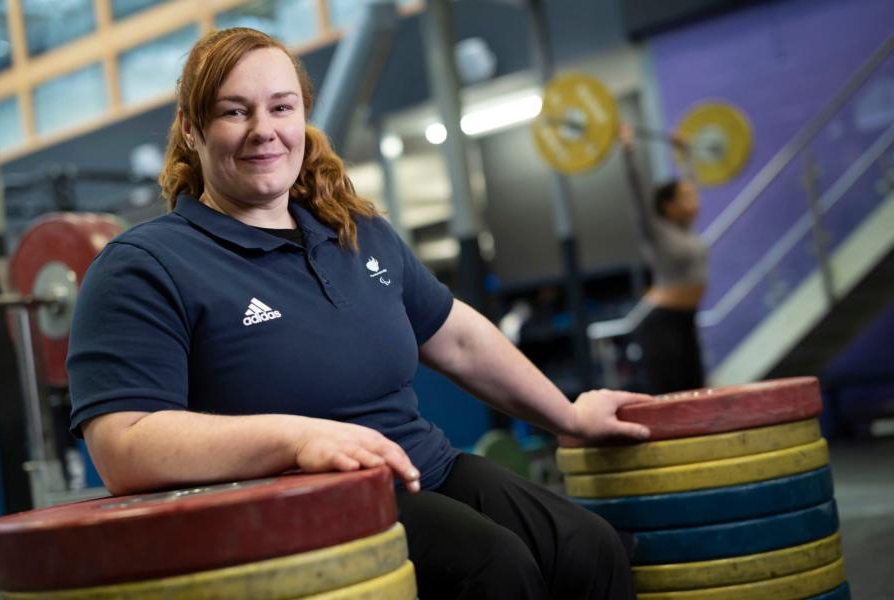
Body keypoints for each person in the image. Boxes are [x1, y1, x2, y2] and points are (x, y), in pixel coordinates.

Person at [67, 28, 654, 600]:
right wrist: (297, 438)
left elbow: (460, 339)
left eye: (281, 107)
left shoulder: (355, 231)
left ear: (303, 116)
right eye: (234, 112)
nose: (264, 130)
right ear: (191, 130)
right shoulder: (145, 264)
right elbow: (124, 444)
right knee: (494, 570)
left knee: (589, 547)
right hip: (293, 506)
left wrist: (569, 418)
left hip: (423, 466)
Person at [619, 124, 708, 394]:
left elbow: (690, 183)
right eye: (686, 197)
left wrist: (684, 153)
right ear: (669, 205)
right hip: (660, 324)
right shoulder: (655, 232)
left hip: (686, 320)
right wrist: (628, 151)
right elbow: (637, 195)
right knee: (672, 398)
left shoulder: (686, 232)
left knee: (697, 392)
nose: (695, 201)